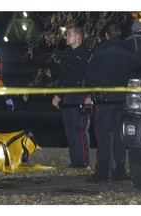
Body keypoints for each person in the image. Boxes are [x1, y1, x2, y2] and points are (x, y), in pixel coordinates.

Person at [86, 23, 139, 183]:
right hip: (123, 100)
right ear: (120, 34)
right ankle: (120, 172)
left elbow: (89, 76)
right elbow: (136, 74)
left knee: (103, 137)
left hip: (104, 100)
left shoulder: (99, 51)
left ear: (106, 35)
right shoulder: (131, 51)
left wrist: (90, 93)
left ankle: (102, 174)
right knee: (119, 137)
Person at [52, 25, 91, 168]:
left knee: (80, 128)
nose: (66, 37)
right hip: (68, 95)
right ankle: (75, 162)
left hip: (81, 94)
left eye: (69, 34)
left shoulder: (87, 53)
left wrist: (89, 96)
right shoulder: (67, 54)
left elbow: (91, 76)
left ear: (78, 37)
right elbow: (63, 77)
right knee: (69, 128)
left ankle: (84, 162)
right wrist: (58, 95)